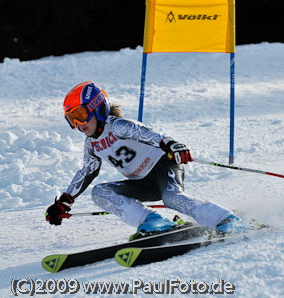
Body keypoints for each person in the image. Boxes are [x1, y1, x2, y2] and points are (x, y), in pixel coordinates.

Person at [45, 81, 247, 237]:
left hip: (162, 166)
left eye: (80, 115)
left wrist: (171, 144)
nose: (79, 124)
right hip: (141, 183)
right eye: (72, 119)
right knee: (100, 192)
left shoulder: (118, 126)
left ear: (98, 107)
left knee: (172, 198)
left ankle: (227, 219)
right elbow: (87, 172)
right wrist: (64, 202)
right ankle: (153, 222)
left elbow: (148, 134)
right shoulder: (91, 145)